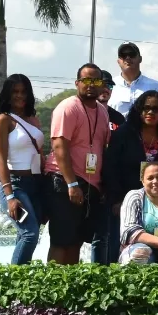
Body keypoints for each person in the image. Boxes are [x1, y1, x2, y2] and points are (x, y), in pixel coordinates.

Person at [100, 90, 158, 264]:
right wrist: (116, 200)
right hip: (123, 200)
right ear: (138, 110)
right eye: (145, 108)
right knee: (120, 245)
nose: (150, 112)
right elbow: (111, 168)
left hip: (157, 203)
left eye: (155, 109)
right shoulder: (123, 134)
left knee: (155, 246)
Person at [45, 63, 110, 265]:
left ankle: (70, 289)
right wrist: (71, 184)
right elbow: (59, 145)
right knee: (60, 241)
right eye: (86, 80)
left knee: (76, 242)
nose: (91, 85)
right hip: (65, 183)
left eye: (96, 81)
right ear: (77, 83)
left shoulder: (102, 111)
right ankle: (51, 291)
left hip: (90, 185)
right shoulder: (68, 107)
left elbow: (103, 147)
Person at [0, 74, 45, 265]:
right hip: (15, 185)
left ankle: (21, 287)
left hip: (36, 184)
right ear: (7, 94)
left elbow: (40, 154)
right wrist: (9, 196)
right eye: (15, 92)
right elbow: (0, 160)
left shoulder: (33, 118)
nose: (20, 96)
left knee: (27, 234)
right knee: (29, 234)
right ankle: (12, 286)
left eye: (23, 91)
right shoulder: (3, 120)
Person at [108, 42, 158, 115]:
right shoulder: (109, 85)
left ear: (140, 59)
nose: (128, 58)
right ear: (118, 61)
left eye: (132, 54)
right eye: (123, 55)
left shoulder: (156, 86)